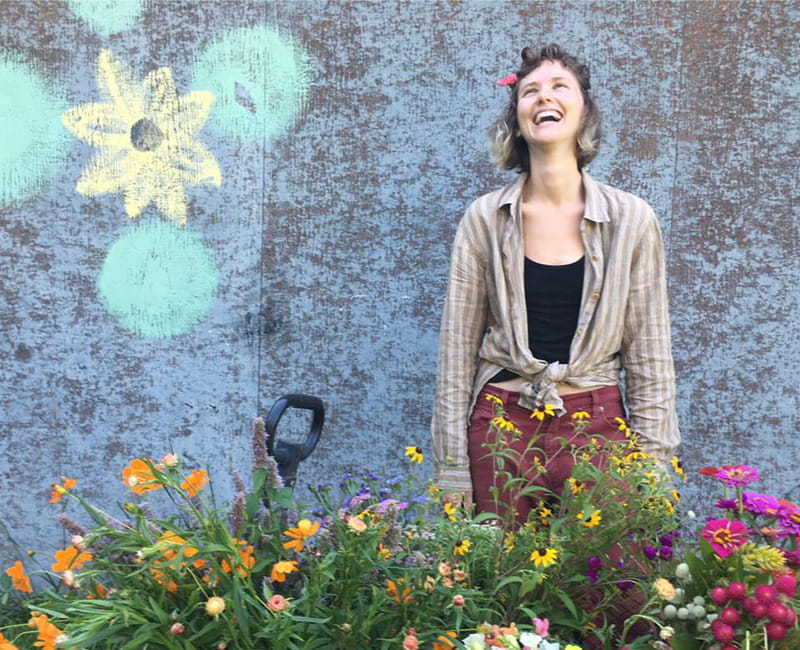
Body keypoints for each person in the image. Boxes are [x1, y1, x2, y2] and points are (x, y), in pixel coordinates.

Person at [430, 44, 680, 522]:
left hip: (599, 422)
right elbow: (456, 352)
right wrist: (451, 470)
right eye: (530, 91)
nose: (545, 97)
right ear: (518, 118)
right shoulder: (485, 219)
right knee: (496, 587)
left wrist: (656, 468)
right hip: (501, 421)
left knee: (612, 589)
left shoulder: (631, 219)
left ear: (584, 110)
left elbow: (650, 354)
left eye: (559, 86)